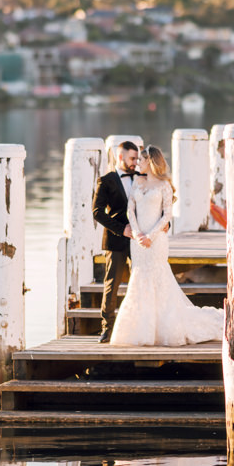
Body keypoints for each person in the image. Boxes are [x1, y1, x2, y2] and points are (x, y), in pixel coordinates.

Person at [110, 145, 224, 346]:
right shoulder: (138, 182)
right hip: (137, 242)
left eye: (142, 161)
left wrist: (151, 236)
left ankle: (164, 329)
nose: (138, 164)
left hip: (155, 242)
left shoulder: (163, 186)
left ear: (151, 162)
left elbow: (167, 215)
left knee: (159, 278)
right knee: (139, 280)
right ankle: (140, 331)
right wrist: (136, 233)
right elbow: (130, 211)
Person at [92, 140, 140, 343]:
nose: (135, 163)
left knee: (142, 281)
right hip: (116, 239)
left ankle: (139, 325)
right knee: (112, 284)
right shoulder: (106, 180)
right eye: (132, 158)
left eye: (137, 159)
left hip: (140, 239)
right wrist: (122, 230)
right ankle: (107, 328)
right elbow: (97, 212)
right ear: (120, 157)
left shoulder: (142, 177)